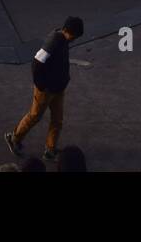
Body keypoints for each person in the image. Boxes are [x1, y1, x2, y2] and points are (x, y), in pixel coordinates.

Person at [5, 16, 84, 162]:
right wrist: (41, 86)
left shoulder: (64, 39)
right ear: (66, 30)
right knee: (35, 116)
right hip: (46, 90)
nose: (74, 39)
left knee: (57, 119)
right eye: (73, 36)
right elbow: (37, 62)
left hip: (58, 88)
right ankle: (14, 137)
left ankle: (50, 149)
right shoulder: (54, 41)